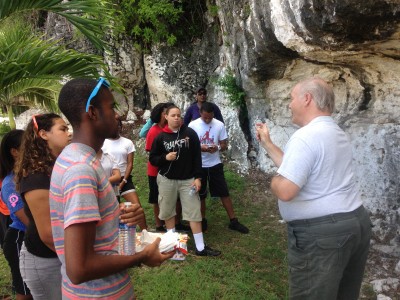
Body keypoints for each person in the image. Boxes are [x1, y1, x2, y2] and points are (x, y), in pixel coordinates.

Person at [49, 78, 174, 299]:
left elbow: (92, 233)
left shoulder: (77, 158)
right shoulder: (81, 170)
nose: (117, 114)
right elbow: (79, 269)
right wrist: (142, 257)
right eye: (111, 107)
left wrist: (117, 216)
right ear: (92, 113)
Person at [255, 78, 371, 300]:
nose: (289, 104)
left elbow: (286, 190)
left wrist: (274, 181)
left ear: (306, 99)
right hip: (355, 223)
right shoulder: (335, 132)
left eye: (291, 98)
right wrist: (268, 144)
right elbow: (299, 168)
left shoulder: (305, 137)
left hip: (323, 236)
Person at [149, 105, 221, 256]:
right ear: (166, 117)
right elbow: (153, 159)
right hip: (167, 180)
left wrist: (198, 177)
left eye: (179, 115)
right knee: (168, 211)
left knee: (194, 212)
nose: (177, 118)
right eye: (173, 115)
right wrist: (165, 158)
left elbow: (197, 157)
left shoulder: (190, 133)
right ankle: (171, 244)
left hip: (188, 180)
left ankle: (200, 247)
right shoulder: (160, 137)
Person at [14, 113, 71, 300]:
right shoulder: (36, 176)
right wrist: (78, 262)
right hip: (46, 260)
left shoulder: (57, 166)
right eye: (62, 129)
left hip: (60, 254)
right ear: (44, 134)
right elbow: (48, 233)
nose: (68, 133)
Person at [189, 102, 249, 234]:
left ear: (213, 115)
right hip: (199, 165)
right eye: (205, 117)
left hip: (215, 163)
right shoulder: (192, 125)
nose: (207, 120)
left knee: (224, 192)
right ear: (200, 113)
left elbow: (224, 144)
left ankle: (233, 221)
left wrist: (218, 147)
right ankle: (202, 220)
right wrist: (201, 148)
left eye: (210, 117)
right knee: (201, 195)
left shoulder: (219, 125)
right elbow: (189, 145)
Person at [145, 102, 190, 232]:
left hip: (174, 170)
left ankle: (176, 222)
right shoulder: (154, 131)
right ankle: (159, 224)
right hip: (156, 171)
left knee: (174, 198)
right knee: (158, 199)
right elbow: (150, 151)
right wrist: (165, 156)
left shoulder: (174, 129)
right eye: (165, 113)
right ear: (162, 115)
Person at [0, 129, 32, 300]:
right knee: (25, 292)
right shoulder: (10, 185)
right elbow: (26, 219)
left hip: (32, 237)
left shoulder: (29, 175)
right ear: (14, 152)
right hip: (19, 239)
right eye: (29, 146)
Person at [102, 120, 148, 230]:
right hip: (110, 180)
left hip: (125, 179)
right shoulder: (103, 142)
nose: (115, 128)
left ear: (120, 127)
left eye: (118, 126)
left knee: (137, 207)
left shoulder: (127, 142)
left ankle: (145, 232)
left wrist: (124, 181)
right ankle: (116, 235)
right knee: (113, 210)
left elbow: (130, 163)